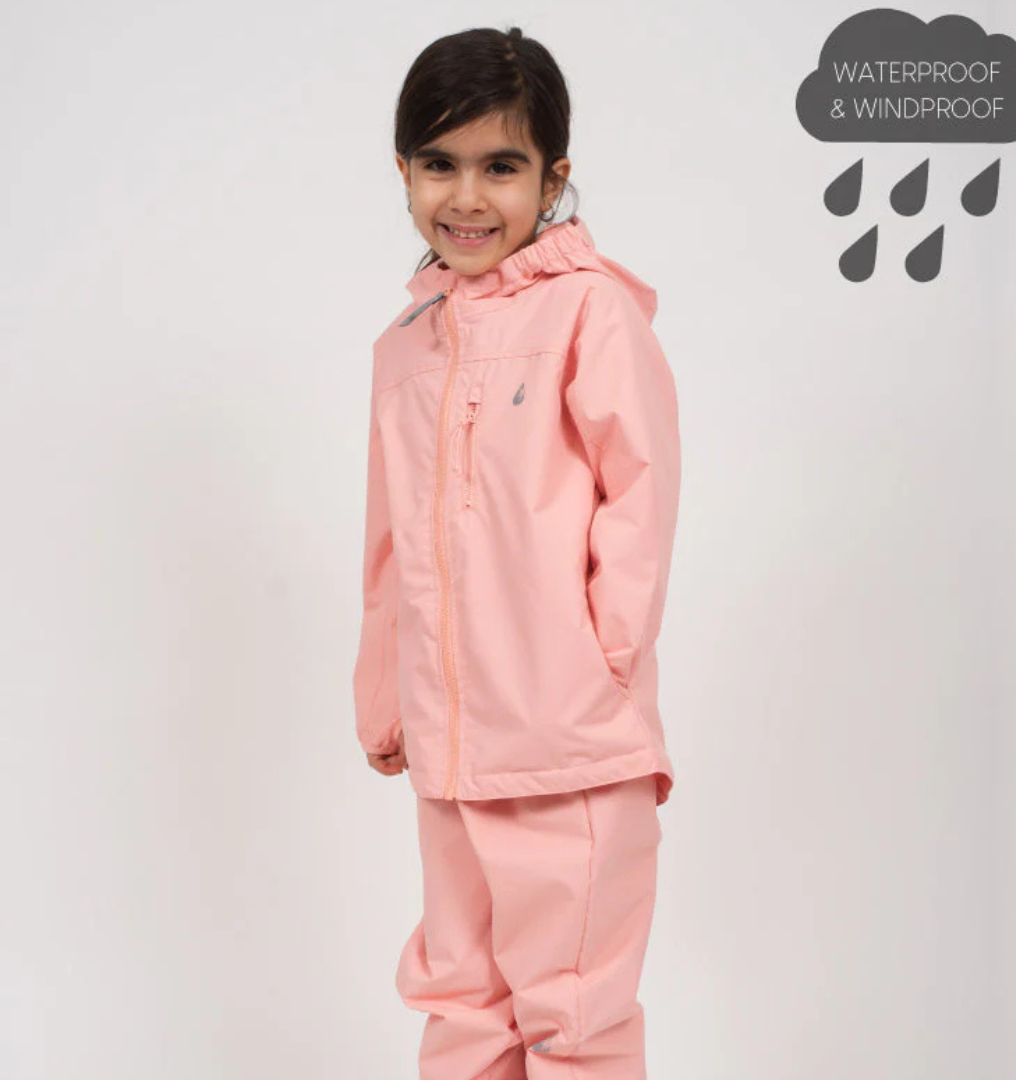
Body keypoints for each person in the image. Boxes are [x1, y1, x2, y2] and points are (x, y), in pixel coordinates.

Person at [353, 25, 681, 1080]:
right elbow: (392, 537)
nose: (467, 197)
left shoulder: (590, 310)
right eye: (439, 164)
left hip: (567, 739)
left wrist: (600, 667)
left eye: (501, 166)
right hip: (452, 742)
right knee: (461, 1003)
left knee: (570, 1016)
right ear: (403, 170)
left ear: (553, 177)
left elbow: (640, 497)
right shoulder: (407, 344)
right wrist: (386, 694)